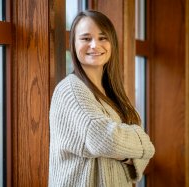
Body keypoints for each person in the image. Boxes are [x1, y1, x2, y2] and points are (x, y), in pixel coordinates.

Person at [49, 10, 155, 187]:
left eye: (102, 38)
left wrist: (126, 150)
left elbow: (141, 161)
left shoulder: (114, 94)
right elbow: (102, 138)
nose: (94, 45)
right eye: (85, 38)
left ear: (112, 43)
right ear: (73, 44)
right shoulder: (70, 89)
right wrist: (142, 143)